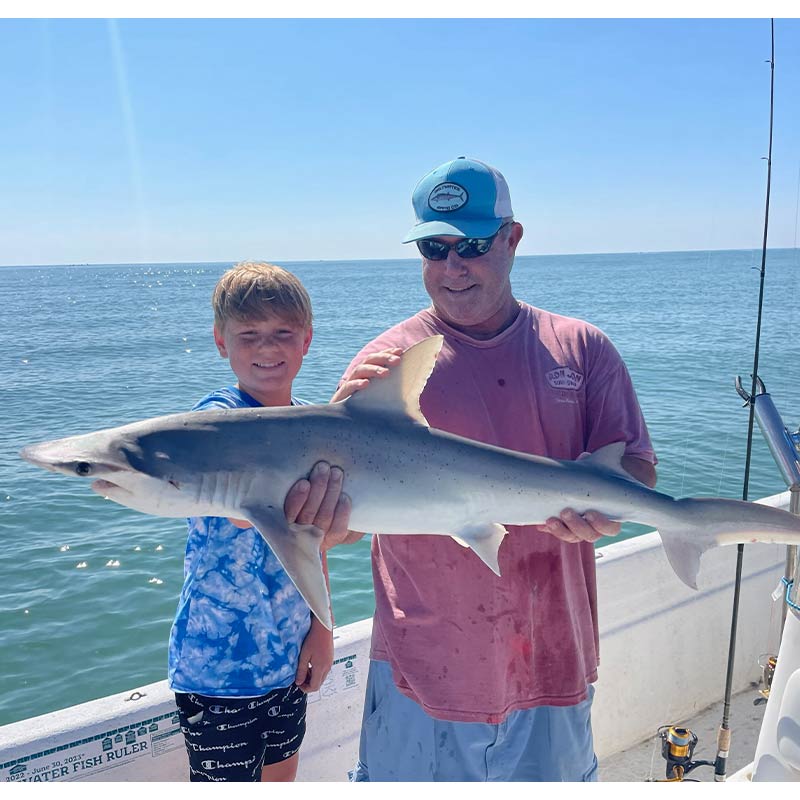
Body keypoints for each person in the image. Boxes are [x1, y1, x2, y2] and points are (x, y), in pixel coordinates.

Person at [332, 157, 658, 781]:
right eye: (435, 247)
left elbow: (635, 467)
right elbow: (342, 527)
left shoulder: (582, 349)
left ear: (513, 239)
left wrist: (605, 509)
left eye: (474, 245)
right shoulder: (383, 367)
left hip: (552, 653)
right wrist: (331, 458)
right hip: (420, 665)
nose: (454, 267)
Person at [168, 261, 351, 782]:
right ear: (221, 343)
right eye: (248, 335)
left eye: (282, 334)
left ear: (307, 340)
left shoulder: (314, 428)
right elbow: (252, 511)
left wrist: (322, 628)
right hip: (215, 671)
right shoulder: (214, 421)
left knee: (280, 784)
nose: (267, 349)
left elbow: (312, 542)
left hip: (288, 659)